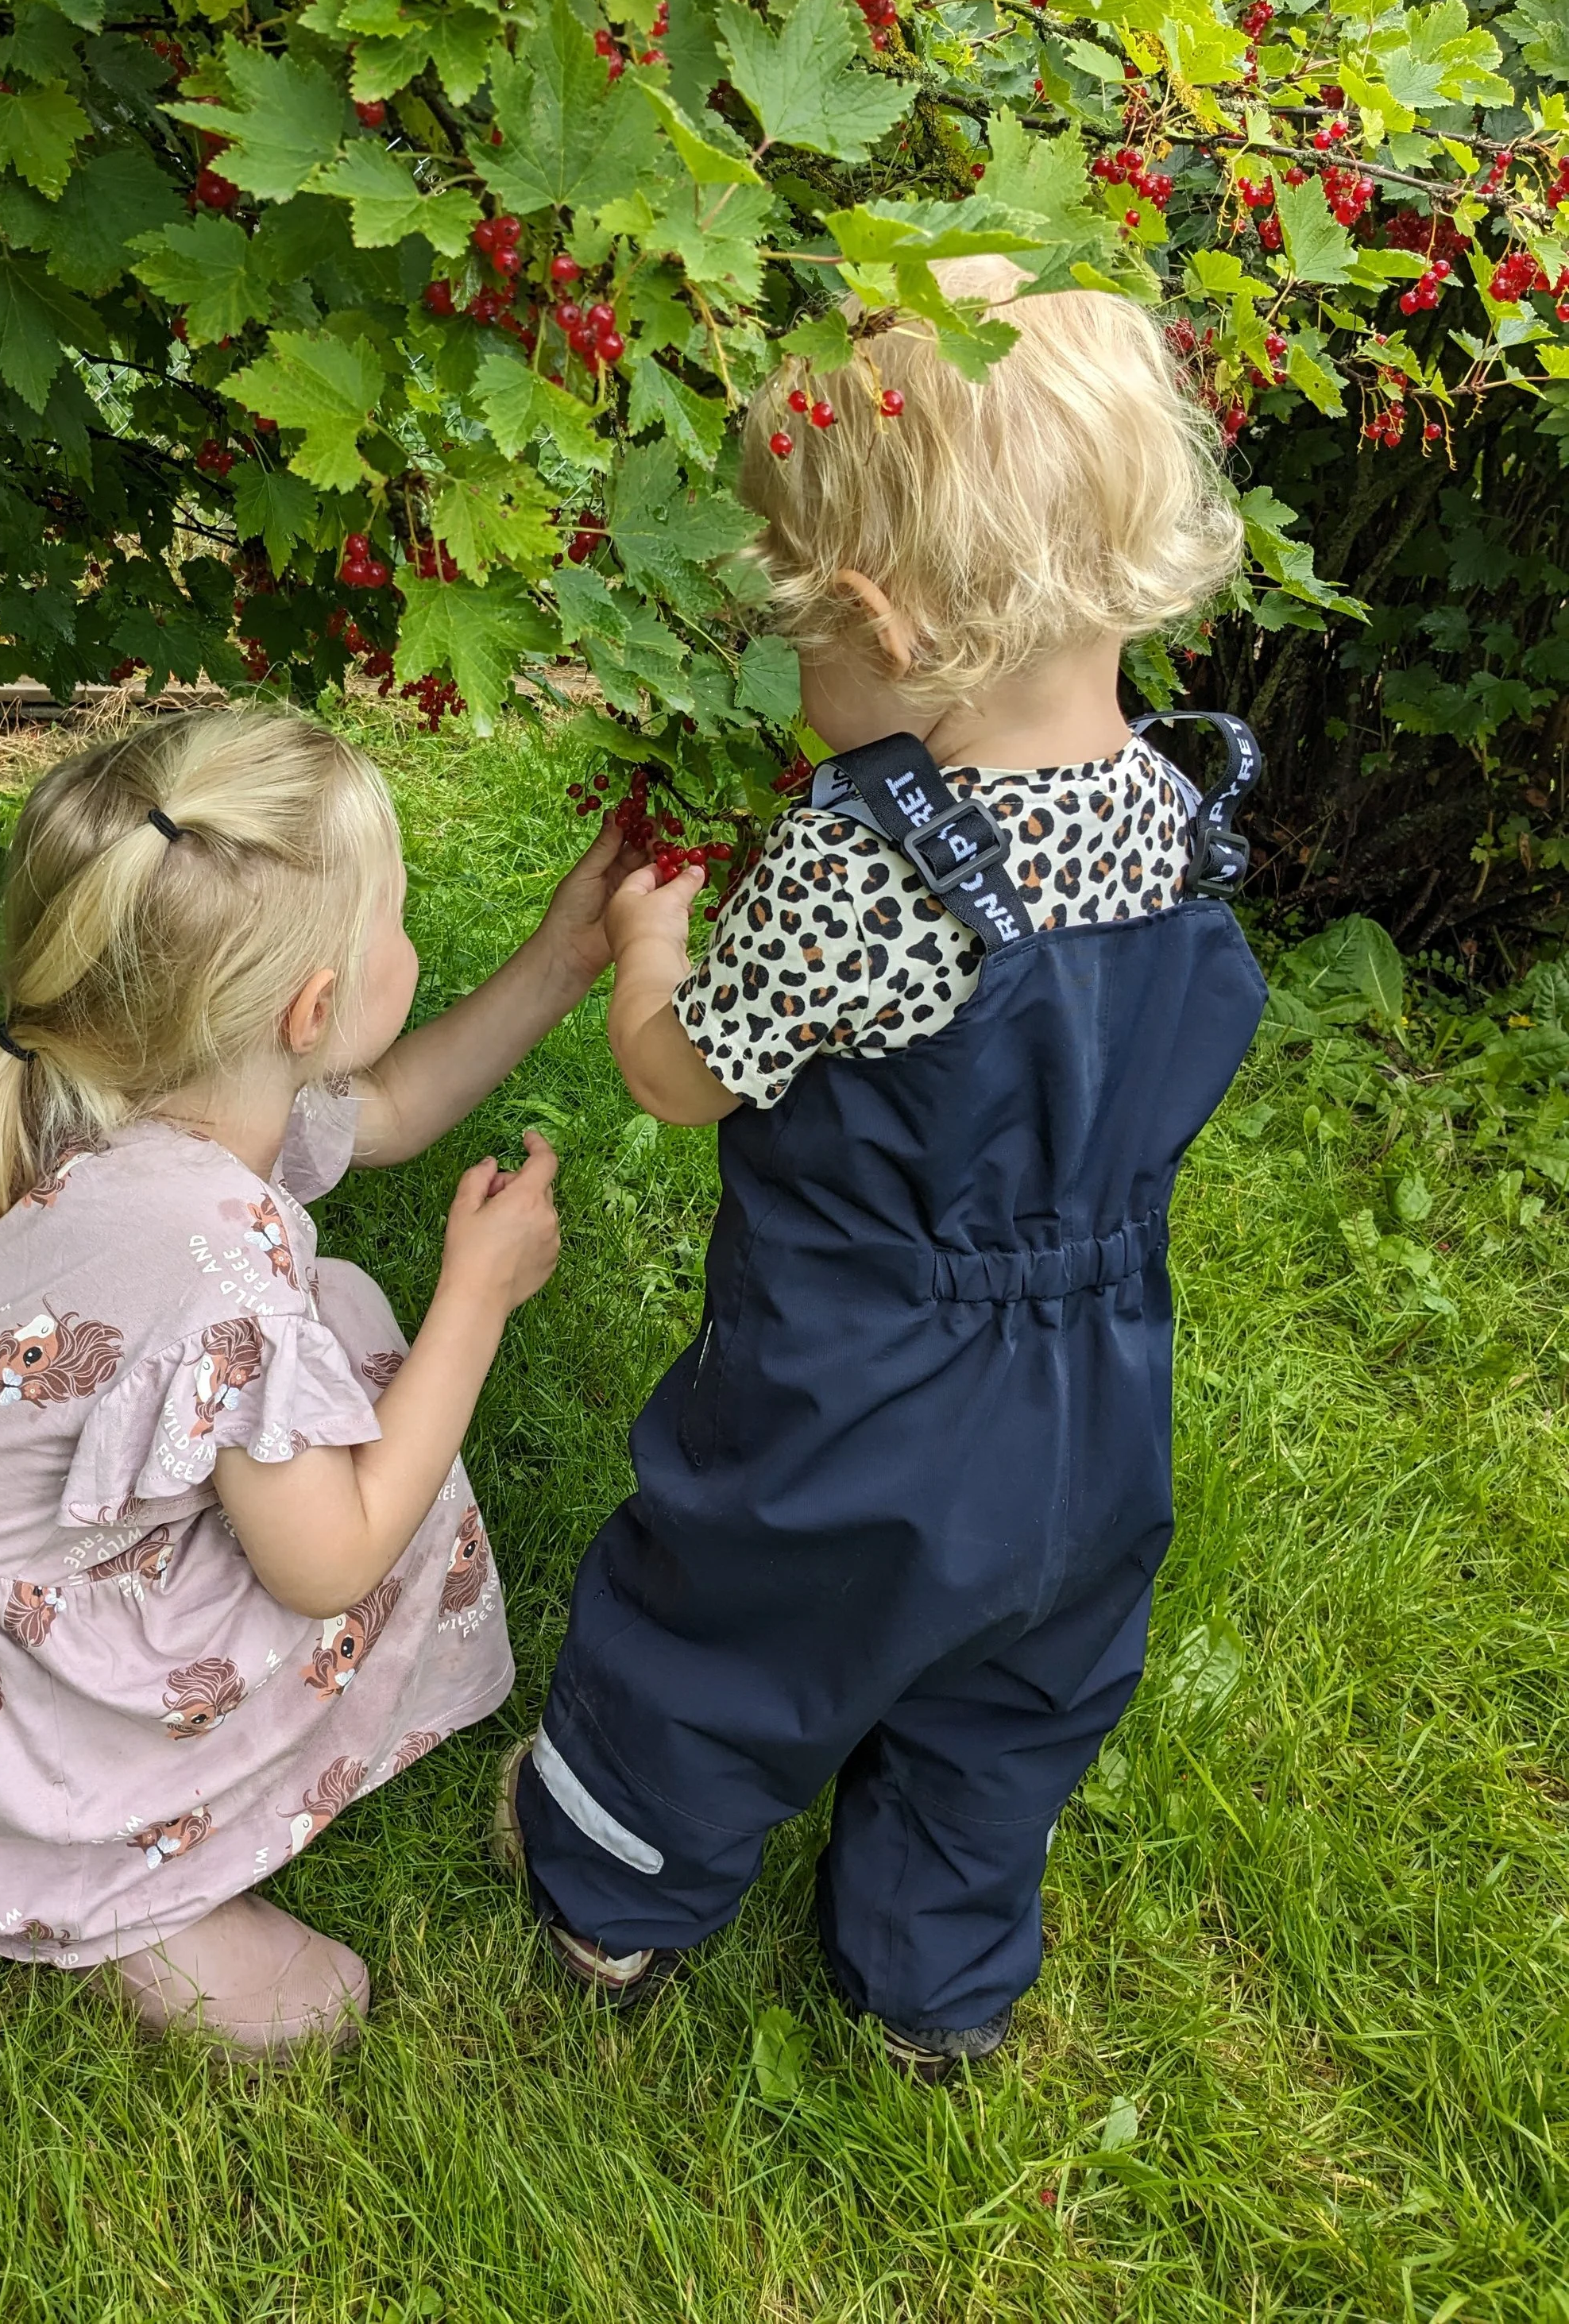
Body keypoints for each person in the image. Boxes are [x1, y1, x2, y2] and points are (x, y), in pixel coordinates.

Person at [498, 257, 1270, 2081]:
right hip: (1096, 1400)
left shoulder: (872, 869)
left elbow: (678, 1081)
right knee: (1012, 1696)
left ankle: (613, 1892)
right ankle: (930, 1986)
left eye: (794, 624)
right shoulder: (1179, 811)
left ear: (871, 615)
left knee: (728, 1630)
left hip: (854, 1396)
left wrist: (649, 952)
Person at [0, 703, 622, 2060]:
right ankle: (107, 1876)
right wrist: (477, 1302)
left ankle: (66, 1814)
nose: (405, 938)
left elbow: (386, 1113)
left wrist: (563, 959)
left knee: (340, 1314)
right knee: (388, 1441)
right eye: (395, 919)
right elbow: (329, 1563)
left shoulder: (103, 1083)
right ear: (312, 1010)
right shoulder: (211, 1258)